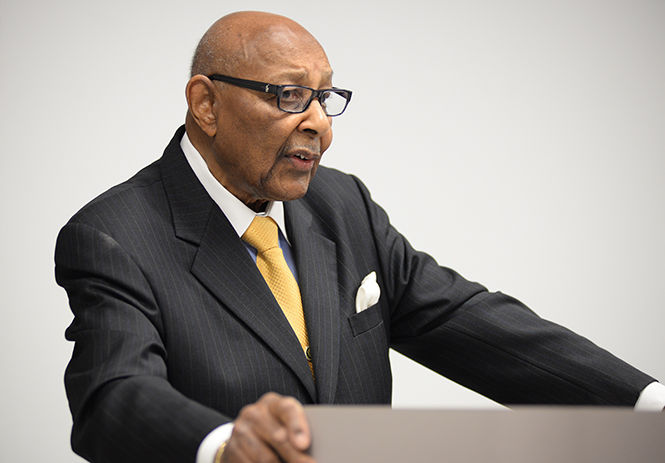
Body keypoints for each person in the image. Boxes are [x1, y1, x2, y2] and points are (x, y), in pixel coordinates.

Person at [54, 10, 664, 463]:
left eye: (324, 97)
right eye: (290, 95)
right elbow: (113, 396)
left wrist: (649, 406)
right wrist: (220, 446)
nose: (319, 124)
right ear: (206, 105)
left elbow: (466, 320)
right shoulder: (113, 236)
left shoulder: (341, 204)